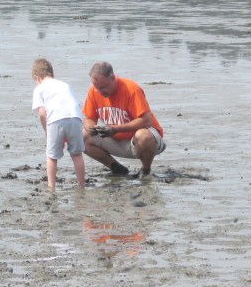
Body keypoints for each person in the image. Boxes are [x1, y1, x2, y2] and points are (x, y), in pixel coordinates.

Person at [82, 61, 165, 178]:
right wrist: (91, 128)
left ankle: (145, 170)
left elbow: (146, 121)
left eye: (103, 87)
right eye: (97, 88)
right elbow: (88, 118)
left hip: (146, 142)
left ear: (113, 78)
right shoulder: (93, 91)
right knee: (81, 137)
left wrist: (116, 129)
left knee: (143, 136)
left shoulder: (131, 89)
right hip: (116, 140)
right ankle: (116, 168)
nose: (100, 92)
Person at [31, 58, 86, 189]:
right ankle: (81, 185)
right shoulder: (65, 85)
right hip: (75, 118)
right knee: (77, 154)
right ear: (51, 73)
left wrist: (46, 130)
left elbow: (42, 113)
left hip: (56, 119)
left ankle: (51, 187)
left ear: (37, 77)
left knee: (51, 156)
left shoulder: (39, 89)